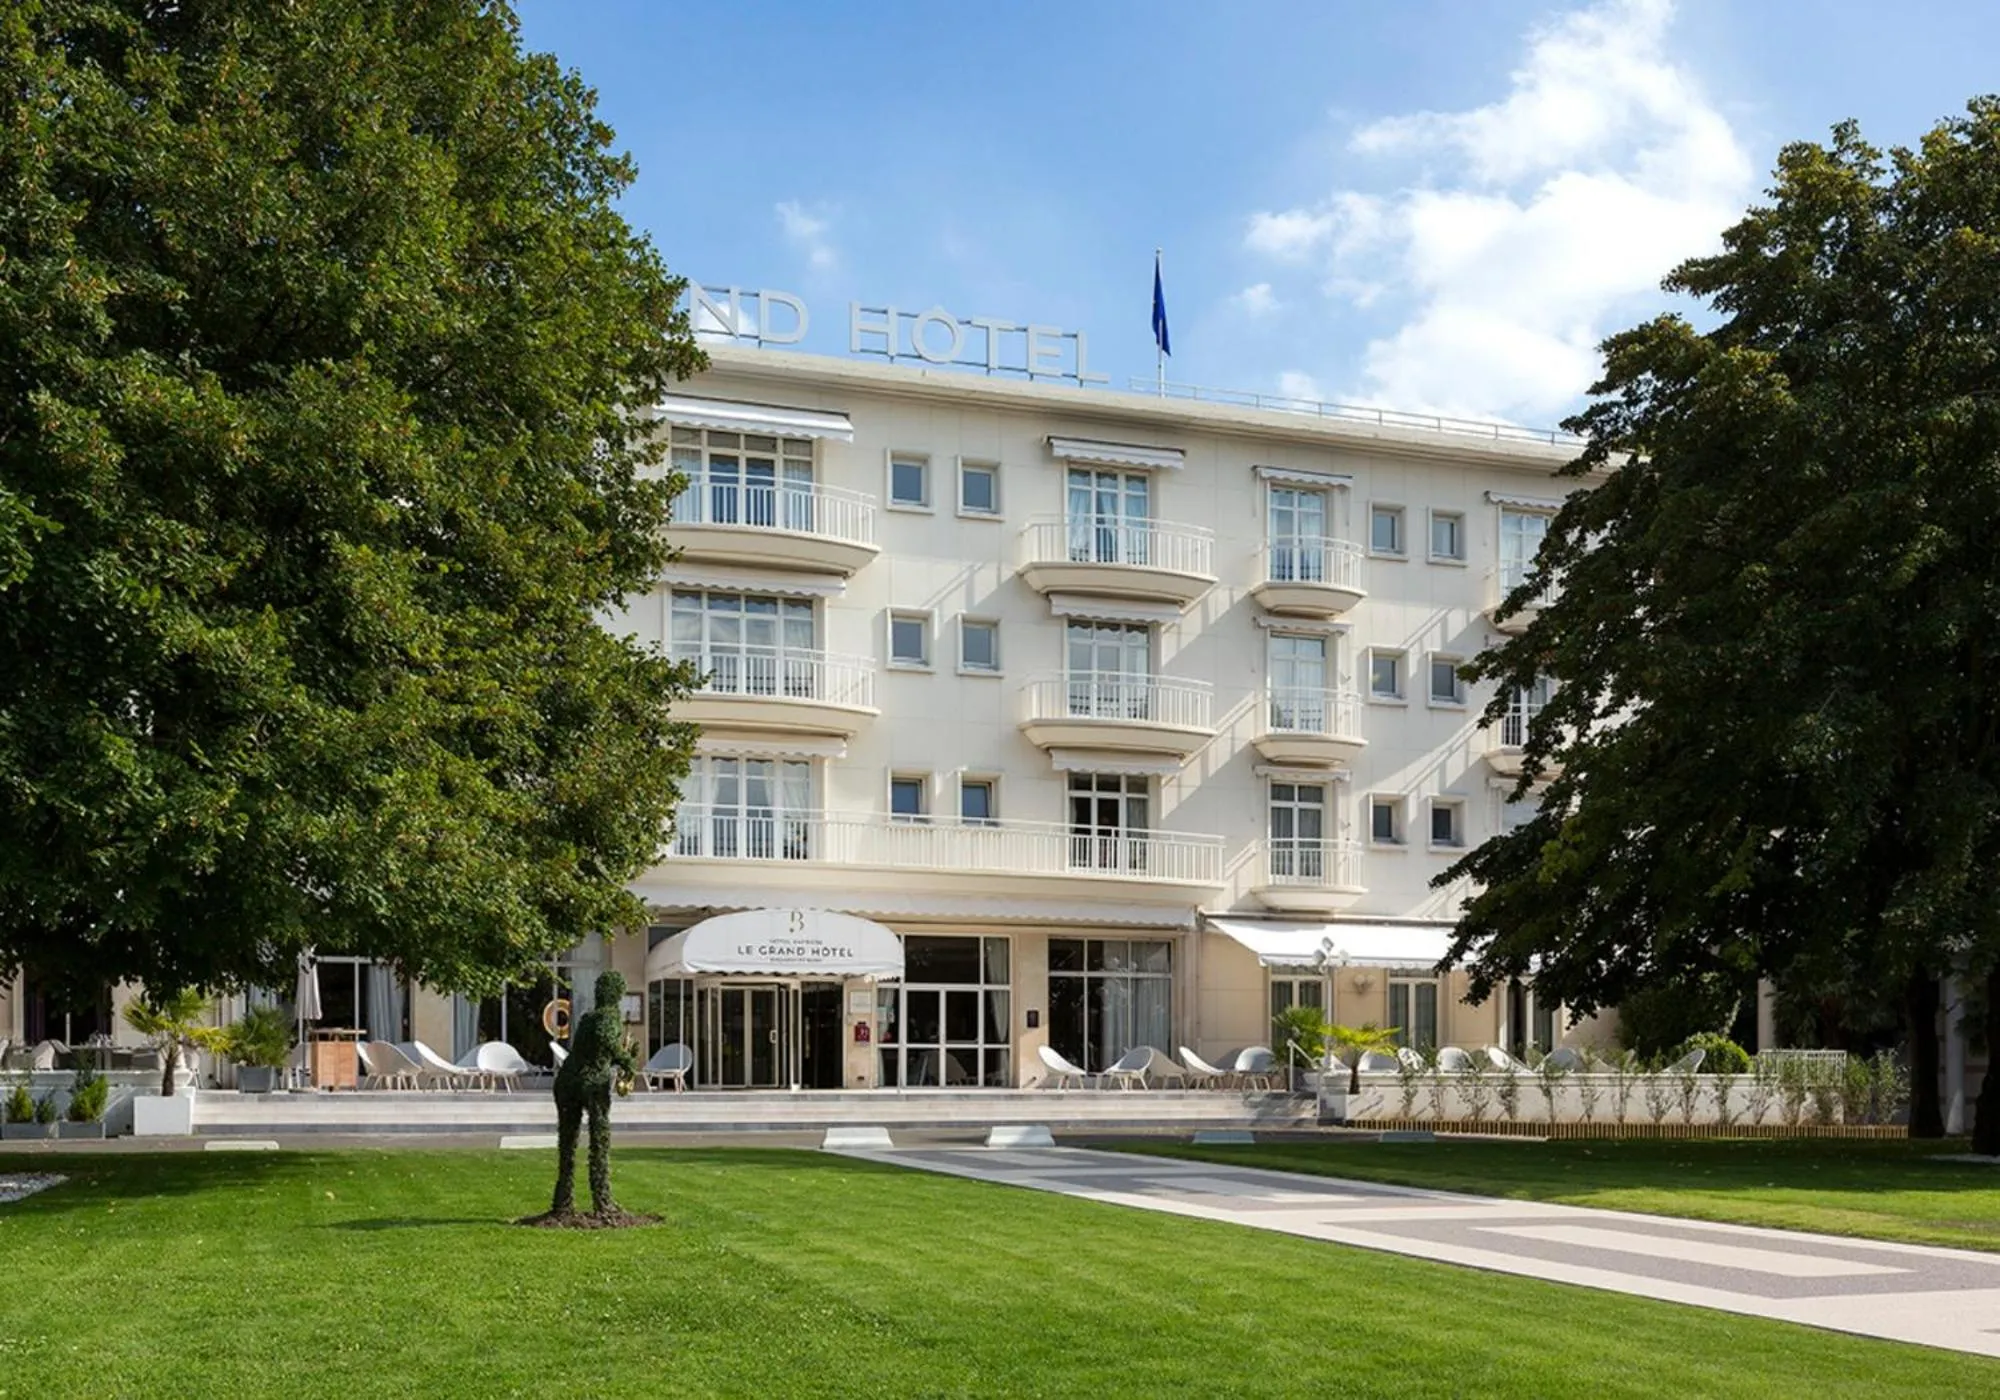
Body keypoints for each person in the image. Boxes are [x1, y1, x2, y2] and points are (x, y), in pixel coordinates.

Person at [549, 969, 639, 1216]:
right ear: (616, 994)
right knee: (599, 1142)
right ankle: (602, 1202)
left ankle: (562, 1203)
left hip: (566, 1080)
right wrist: (627, 1061)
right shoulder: (609, 1016)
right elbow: (605, 1039)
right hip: (591, 1084)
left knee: (567, 1144)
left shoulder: (588, 1017)